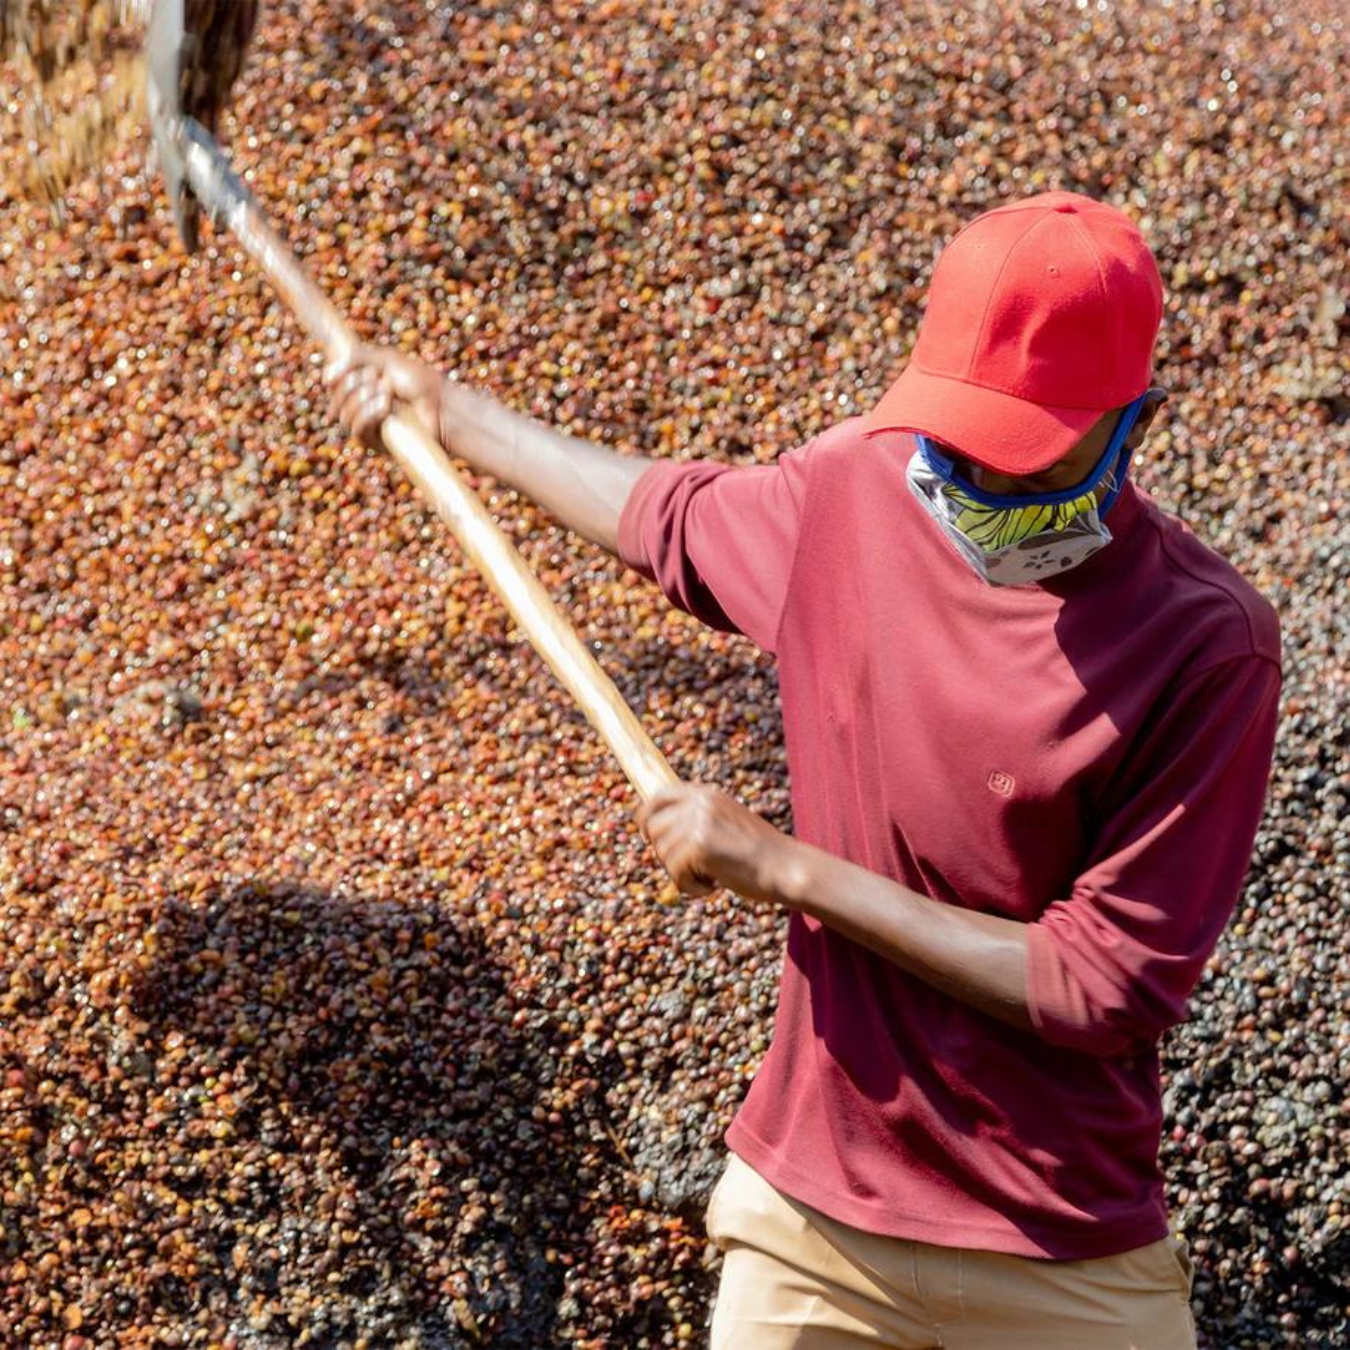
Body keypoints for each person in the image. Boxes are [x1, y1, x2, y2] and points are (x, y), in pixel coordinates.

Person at [327, 190, 1281, 1350]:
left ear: (1137, 420)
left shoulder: (1206, 642)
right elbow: (665, 519)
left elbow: (1101, 989)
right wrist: (450, 410)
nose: (974, 479)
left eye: (1022, 456)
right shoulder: (858, 493)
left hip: (1059, 1250)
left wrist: (788, 871)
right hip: (813, 1226)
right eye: (957, 437)